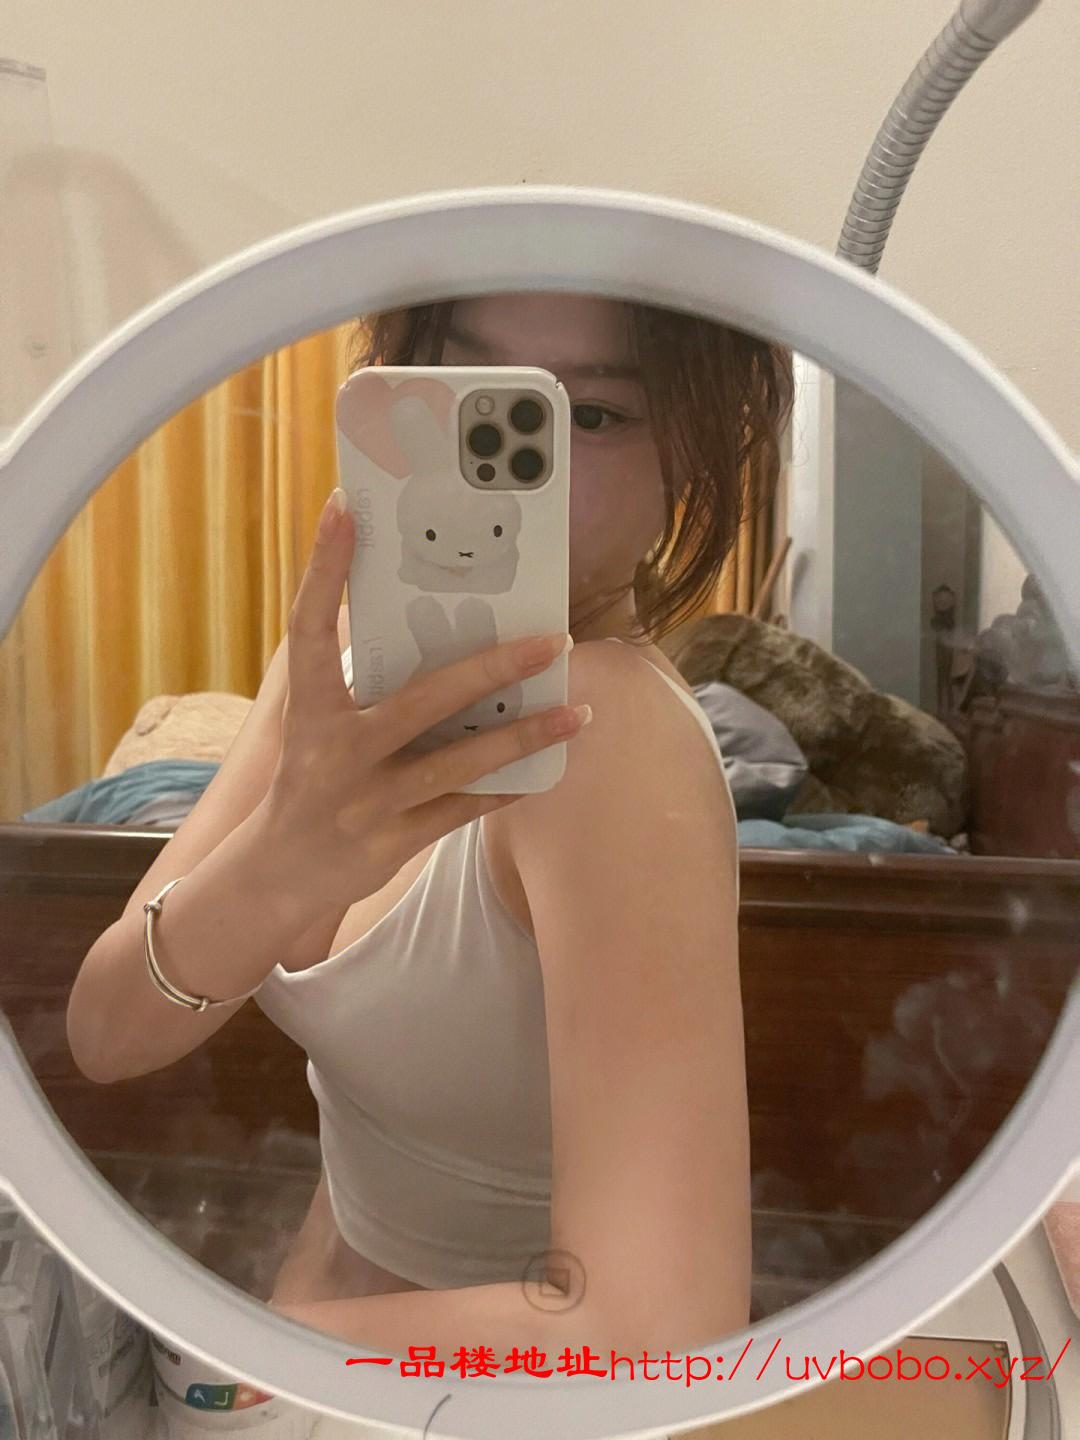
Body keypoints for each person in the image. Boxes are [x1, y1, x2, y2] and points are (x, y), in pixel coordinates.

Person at [66, 292, 794, 1364]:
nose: (509, 477)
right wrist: (281, 861)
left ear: (693, 451)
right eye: (465, 393)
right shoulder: (344, 654)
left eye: (591, 416)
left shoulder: (607, 741)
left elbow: (655, 1332)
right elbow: (105, 1034)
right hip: (318, 1363)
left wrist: (230, 1355)